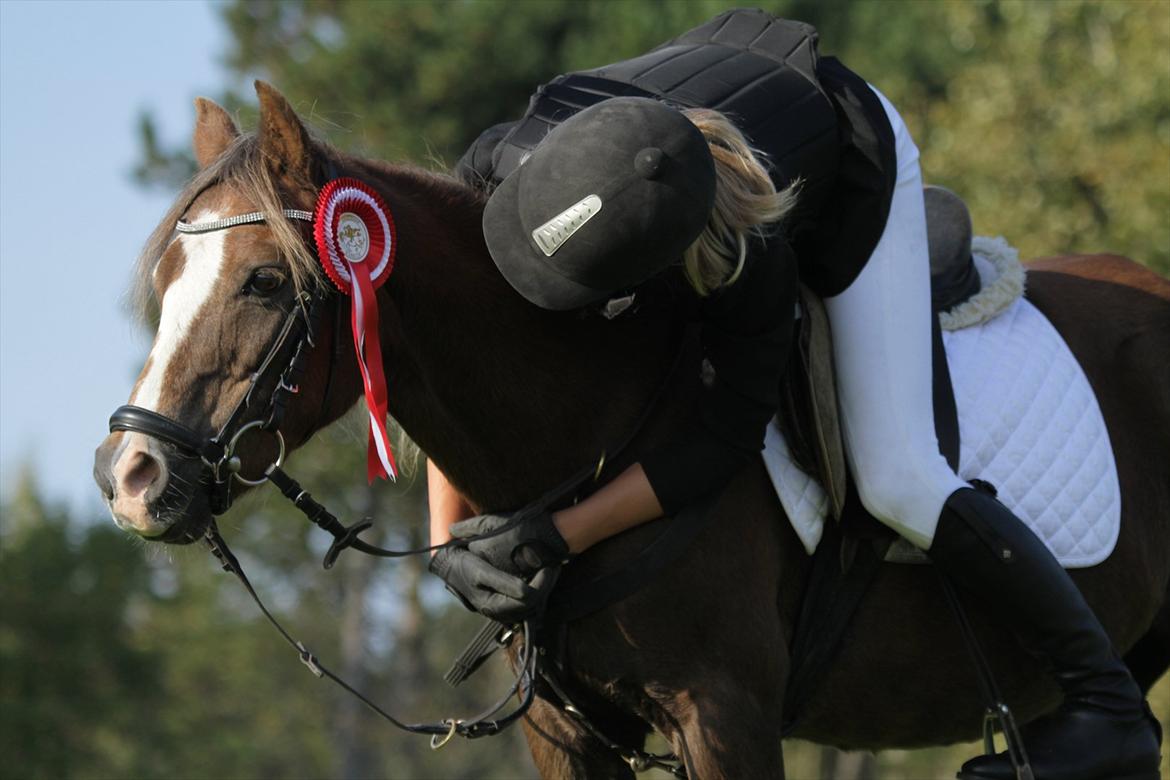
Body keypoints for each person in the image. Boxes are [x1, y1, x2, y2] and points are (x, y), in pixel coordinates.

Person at [426, 11, 1160, 780]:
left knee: (897, 472)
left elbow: (724, 436)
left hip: (844, 152)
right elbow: (460, 360)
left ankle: (1102, 701)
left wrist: (562, 535)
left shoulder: (744, 257)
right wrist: (452, 540)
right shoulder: (496, 159)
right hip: (684, 104)